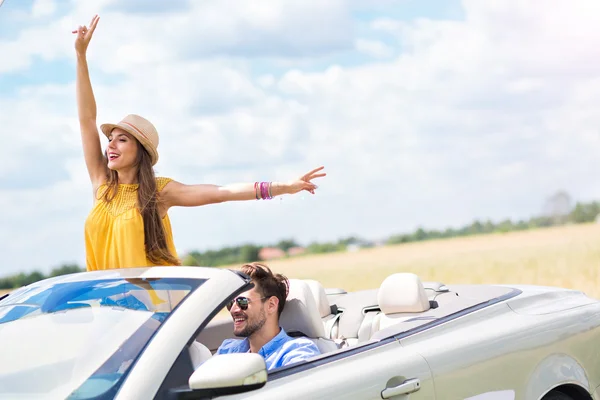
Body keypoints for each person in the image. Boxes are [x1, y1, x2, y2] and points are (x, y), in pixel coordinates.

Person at [73, 16, 326, 271]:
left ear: (141, 150)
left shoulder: (158, 192)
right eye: (110, 139)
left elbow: (222, 193)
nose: (111, 146)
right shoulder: (102, 185)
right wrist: (81, 56)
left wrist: (284, 186)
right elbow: (87, 119)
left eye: (122, 139)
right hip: (107, 303)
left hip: (149, 305)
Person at [216, 263, 321, 370]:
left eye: (242, 301)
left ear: (271, 305)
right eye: (230, 303)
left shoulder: (297, 351)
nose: (233, 310)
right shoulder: (227, 350)